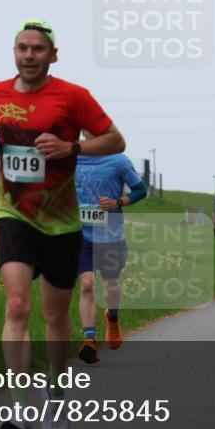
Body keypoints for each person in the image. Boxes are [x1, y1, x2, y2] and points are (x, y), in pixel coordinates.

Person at [0, 19, 125, 429]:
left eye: (37, 49)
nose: (28, 55)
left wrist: (71, 147)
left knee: (55, 316)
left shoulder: (73, 97)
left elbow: (115, 139)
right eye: (21, 48)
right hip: (13, 213)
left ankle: (56, 390)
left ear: (52, 55)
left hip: (61, 222)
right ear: (14, 52)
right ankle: (20, 410)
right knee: (17, 304)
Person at [75, 146, 147, 364]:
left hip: (111, 235)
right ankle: (89, 340)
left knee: (111, 286)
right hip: (82, 235)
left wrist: (118, 202)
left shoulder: (118, 160)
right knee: (87, 285)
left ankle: (112, 317)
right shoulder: (73, 158)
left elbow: (140, 190)